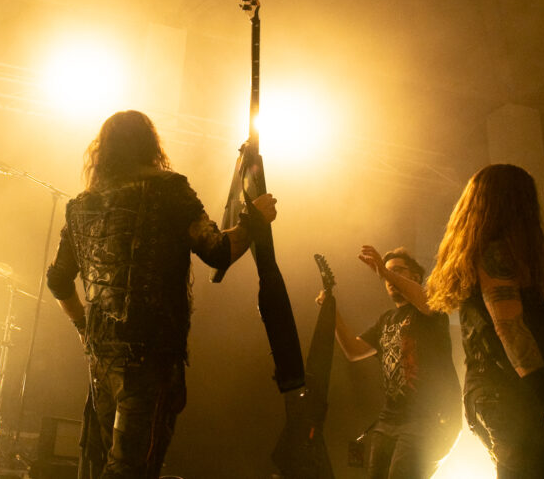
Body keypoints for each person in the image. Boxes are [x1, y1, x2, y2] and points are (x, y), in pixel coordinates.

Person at [46, 110, 277, 479]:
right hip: (149, 356)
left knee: (113, 464)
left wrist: (82, 327)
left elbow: (58, 281)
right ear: (150, 144)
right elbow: (217, 251)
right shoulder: (169, 190)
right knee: (130, 471)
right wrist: (252, 221)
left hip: (101, 359)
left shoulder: (81, 206)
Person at [425, 163, 544, 478]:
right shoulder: (496, 253)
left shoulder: (486, 254)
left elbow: (500, 324)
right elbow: (509, 329)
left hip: (498, 394)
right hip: (513, 397)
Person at [324, 245, 461, 478]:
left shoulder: (431, 306)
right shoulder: (385, 320)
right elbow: (353, 351)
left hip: (429, 420)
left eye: (397, 270)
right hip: (389, 421)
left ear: (415, 276)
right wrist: (331, 311)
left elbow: (426, 303)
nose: (386, 277)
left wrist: (384, 271)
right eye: (385, 273)